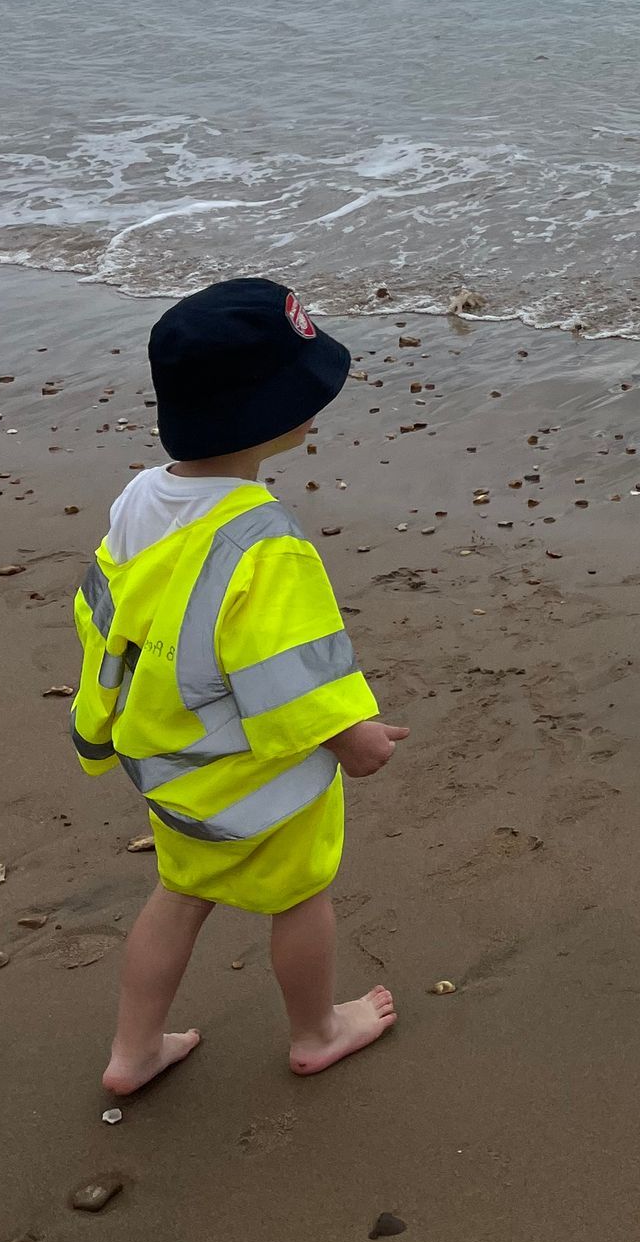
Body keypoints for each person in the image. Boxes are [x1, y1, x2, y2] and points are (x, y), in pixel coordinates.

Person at [71, 279, 409, 1095]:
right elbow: (291, 675)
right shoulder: (266, 544)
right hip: (258, 780)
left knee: (181, 893)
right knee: (300, 899)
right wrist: (356, 739)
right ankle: (318, 1030)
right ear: (270, 417)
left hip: (169, 756)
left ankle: (133, 1052)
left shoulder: (139, 498)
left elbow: (108, 612)